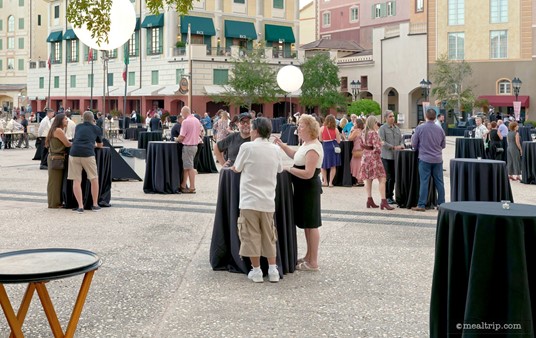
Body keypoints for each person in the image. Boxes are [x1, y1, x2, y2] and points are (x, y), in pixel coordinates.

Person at [231, 117, 283, 283]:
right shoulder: (274, 149)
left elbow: (237, 168)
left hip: (249, 199)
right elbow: (280, 168)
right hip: (268, 199)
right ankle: (273, 269)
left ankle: (256, 270)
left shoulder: (247, 147)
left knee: (250, 234)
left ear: (256, 130)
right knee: (269, 235)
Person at [275, 115, 323, 271]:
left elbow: (308, 173)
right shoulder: (306, 144)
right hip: (302, 189)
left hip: (309, 189)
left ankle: (313, 261)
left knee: (312, 224)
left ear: (310, 129)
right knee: (307, 226)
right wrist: (282, 146)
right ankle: (308, 256)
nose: (298, 129)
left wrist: (289, 169)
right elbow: (296, 156)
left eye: (301, 126)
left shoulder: (313, 148)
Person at [68, 111, 104, 213]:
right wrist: (94, 145)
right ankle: (95, 204)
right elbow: (100, 144)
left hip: (74, 152)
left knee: (76, 180)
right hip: (88, 153)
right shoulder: (96, 128)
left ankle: (80, 206)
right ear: (93, 119)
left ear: (83, 118)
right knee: (93, 178)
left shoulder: (78, 127)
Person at [411, 108, 446, 212]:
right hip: (437, 159)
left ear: (426, 116)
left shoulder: (420, 128)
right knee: (439, 182)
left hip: (424, 158)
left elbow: (414, 144)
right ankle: (441, 203)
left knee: (424, 182)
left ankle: (421, 204)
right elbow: (443, 145)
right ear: (435, 117)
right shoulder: (440, 129)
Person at [358, 115, 393, 210]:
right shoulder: (373, 133)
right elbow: (377, 147)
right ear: (373, 123)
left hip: (365, 157)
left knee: (368, 179)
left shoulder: (363, 132)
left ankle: (369, 199)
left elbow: (361, 145)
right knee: (382, 179)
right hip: (374, 158)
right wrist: (381, 144)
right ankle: (384, 201)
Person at [45, 113, 72, 208]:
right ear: (60, 120)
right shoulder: (58, 130)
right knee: (55, 182)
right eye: (65, 119)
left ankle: (55, 202)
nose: (67, 120)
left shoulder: (55, 130)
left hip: (55, 158)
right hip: (56, 159)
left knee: (55, 181)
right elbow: (67, 144)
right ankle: (53, 203)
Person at [379, 110, 404, 205]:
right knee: (388, 177)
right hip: (386, 156)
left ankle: (391, 195)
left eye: (393, 116)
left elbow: (401, 140)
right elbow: (382, 142)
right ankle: (387, 196)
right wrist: (393, 147)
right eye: (390, 116)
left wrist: (401, 145)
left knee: (393, 177)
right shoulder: (382, 128)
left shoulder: (397, 128)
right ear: (385, 118)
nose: (392, 118)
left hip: (396, 157)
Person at [177, 106, 202, 193]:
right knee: (187, 167)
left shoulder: (185, 122)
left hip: (188, 146)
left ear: (184, 112)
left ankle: (192, 187)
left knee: (189, 167)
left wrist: (176, 139)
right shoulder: (196, 120)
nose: (181, 114)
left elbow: (182, 136)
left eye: (181, 112)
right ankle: (183, 185)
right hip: (195, 145)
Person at [319, 115, 341, 187]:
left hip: (325, 146)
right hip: (333, 147)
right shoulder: (335, 129)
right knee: (333, 166)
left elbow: (320, 139)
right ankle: (330, 182)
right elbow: (338, 141)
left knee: (323, 165)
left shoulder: (322, 128)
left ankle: (325, 181)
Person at [348, 118, 365, 186]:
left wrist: (352, 130)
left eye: (354, 123)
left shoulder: (356, 131)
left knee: (354, 164)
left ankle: (358, 179)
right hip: (362, 149)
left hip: (357, 149)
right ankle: (361, 179)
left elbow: (350, 138)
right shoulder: (362, 131)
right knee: (360, 164)